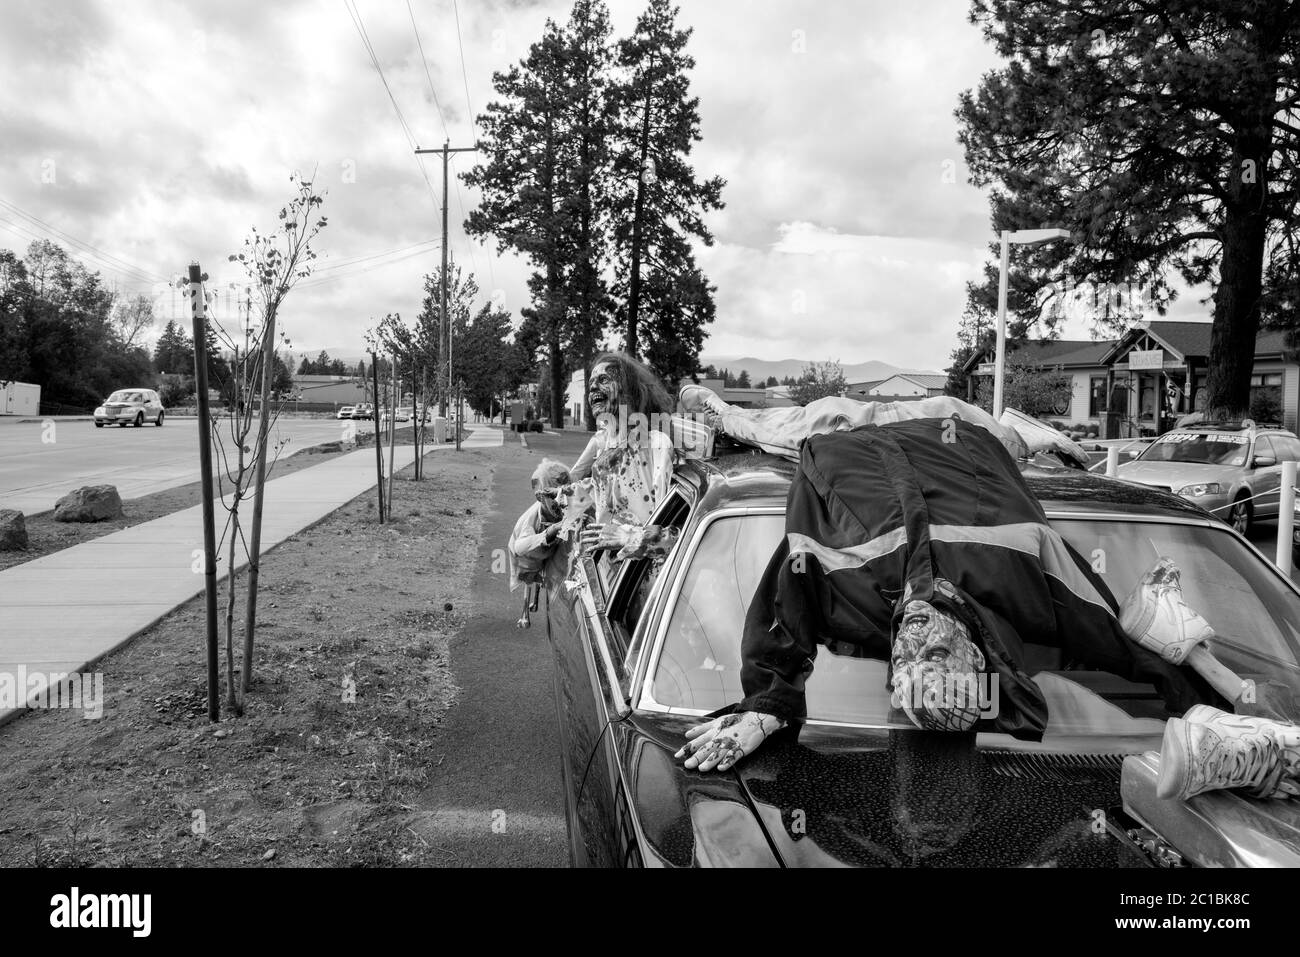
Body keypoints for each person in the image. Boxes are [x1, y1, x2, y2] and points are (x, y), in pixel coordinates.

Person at [677, 415, 1226, 773]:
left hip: (839, 429)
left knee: (748, 424)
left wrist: (767, 705)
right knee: (1010, 435)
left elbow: (782, 605)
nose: (914, 641)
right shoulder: (1024, 566)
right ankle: (1037, 434)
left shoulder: (840, 573)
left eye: (903, 665)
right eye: (936, 655)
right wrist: (1215, 713)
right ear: (977, 655)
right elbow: (1118, 639)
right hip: (958, 426)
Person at [559, 352, 681, 560]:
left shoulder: (656, 445)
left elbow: (677, 537)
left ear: (628, 391)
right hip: (606, 567)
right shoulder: (606, 446)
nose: (594, 388)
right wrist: (562, 495)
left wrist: (630, 537)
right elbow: (609, 495)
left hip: (640, 580)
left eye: (603, 380)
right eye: (591, 384)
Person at [506, 458, 570, 591]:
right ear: (541, 497)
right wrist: (549, 532)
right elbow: (519, 547)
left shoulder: (564, 502)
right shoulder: (532, 517)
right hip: (528, 564)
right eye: (554, 497)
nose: (563, 502)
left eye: (565, 494)